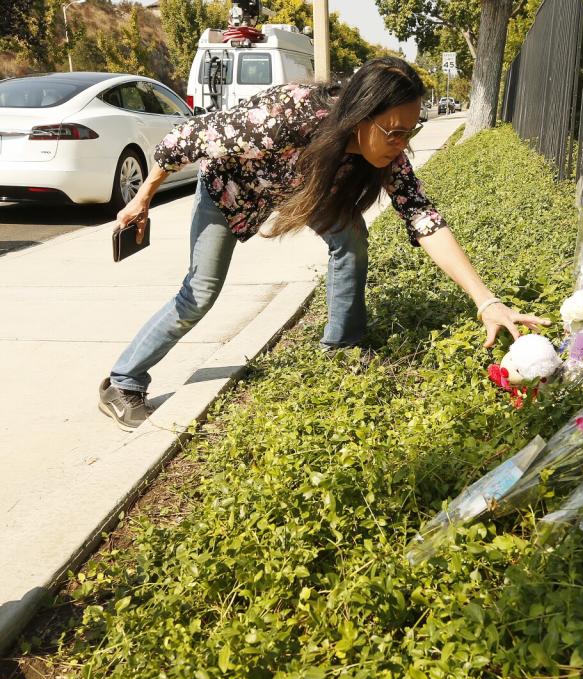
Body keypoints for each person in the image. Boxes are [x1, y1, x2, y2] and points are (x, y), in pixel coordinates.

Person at [98, 57, 548, 430]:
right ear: (360, 117)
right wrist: (142, 198)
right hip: (230, 190)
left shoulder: (389, 154)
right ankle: (123, 381)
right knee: (200, 292)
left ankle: (343, 349)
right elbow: (180, 141)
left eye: (409, 132)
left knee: (350, 239)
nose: (401, 144)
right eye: (393, 132)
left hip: (301, 189)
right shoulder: (286, 114)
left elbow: (423, 217)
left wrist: (486, 300)